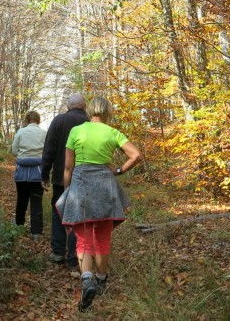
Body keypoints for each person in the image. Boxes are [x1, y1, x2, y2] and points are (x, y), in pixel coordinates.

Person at [56, 96, 143, 312]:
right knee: (102, 237)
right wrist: (119, 170)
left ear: (89, 111)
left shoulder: (76, 131)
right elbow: (136, 155)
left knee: (83, 239)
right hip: (105, 186)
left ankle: (87, 280)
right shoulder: (112, 132)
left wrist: (68, 191)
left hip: (81, 186)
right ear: (107, 112)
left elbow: (68, 167)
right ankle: (101, 279)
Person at [41, 93, 88, 269]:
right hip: (84, 178)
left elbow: (49, 148)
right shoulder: (90, 122)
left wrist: (44, 174)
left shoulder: (59, 121)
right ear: (84, 106)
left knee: (59, 212)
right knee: (80, 216)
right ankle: (75, 256)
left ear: (68, 106)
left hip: (62, 177)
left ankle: (59, 252)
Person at [11, 111, 47, 238]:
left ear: (27, 120)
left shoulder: (21, 132)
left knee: (22, 199)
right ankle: (36, 232)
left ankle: (19, 226)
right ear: (38, 120)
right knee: (37, 200)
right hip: (38, 171)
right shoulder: (44, 133)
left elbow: (14, 151)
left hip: (22, 171)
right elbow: (47, 152)